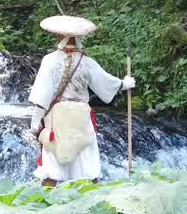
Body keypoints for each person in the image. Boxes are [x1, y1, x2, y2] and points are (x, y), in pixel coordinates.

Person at [27, 15, 135, 187]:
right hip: (81, 117)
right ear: (78, 39)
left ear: (58, 36)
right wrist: (125, 84)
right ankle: (92, 202)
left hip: (57, 117)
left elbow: (43, 94)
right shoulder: (87, 62)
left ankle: (45, 205)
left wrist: (35, 122)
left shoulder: (49, 60)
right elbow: (106, 82)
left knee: (52, 162)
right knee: (87, 161)